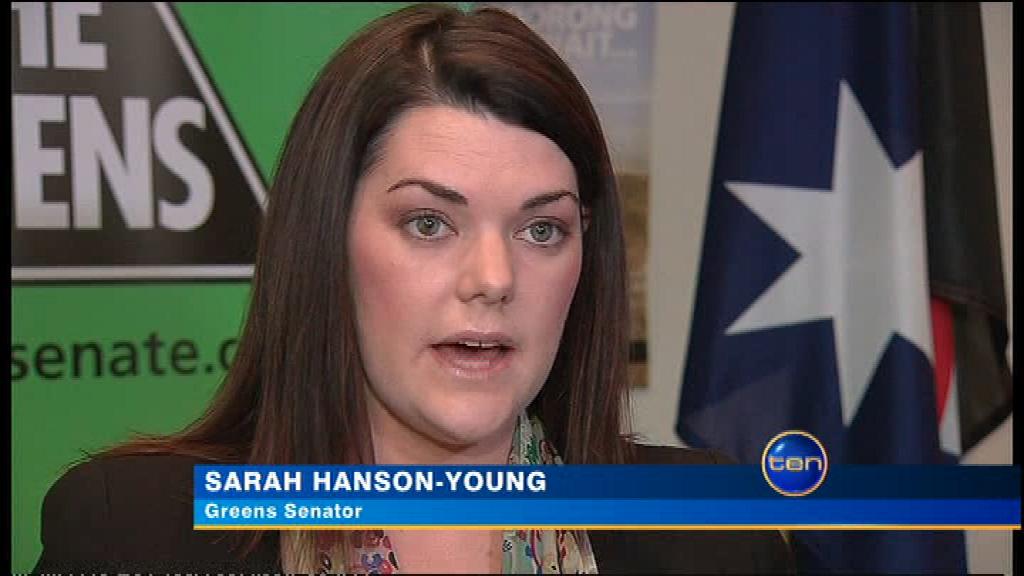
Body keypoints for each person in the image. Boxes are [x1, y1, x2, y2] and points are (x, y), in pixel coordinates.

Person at [34, 4, 793, 573]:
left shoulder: (712, 532)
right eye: (430, 223)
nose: (493, 279)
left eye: (541, 230)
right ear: (325, 242)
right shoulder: (130, 532)